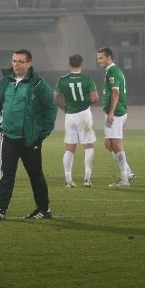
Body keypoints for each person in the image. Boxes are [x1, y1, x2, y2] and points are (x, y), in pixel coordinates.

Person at [0, 49, 57, 220]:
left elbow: (50, 108)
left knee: (35, 174)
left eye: (21, 61)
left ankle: (43, 209)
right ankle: (0, 209)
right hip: (7, 136)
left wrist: (43, 132)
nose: (16, 64)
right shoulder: (5, 82)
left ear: (29, 64)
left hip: (30, 138)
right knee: (4, 174)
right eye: (14, 61)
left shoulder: (38, 84)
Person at [54, 54, 99, 188]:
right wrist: (84, 101)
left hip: (70, 116)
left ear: (69, 64)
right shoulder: (87, 80)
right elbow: (95, 98)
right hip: (84, 114)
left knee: (69, 147)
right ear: (82, 64)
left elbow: (55, 97)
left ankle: (68, 179)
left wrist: (64, 108)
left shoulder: (62, 80)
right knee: (89, 146)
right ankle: (87, 179)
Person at [96, 47, 135, 187]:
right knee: (108, 143)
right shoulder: (113, 71)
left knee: (117, 143)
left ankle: (124, 179)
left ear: (109, 58)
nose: (98, 60)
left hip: (115, 112)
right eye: (98, 58)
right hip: (117, 111)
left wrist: (112, 112)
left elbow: (116, 93)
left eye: (101, 58)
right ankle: (128, 171)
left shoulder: (112, 71)